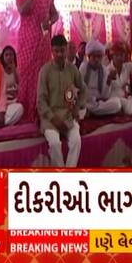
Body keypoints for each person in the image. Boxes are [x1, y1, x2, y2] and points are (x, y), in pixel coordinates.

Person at [16, 0, 59, 122]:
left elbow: (55, 14)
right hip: (27, 43)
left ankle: (41, 112)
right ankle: (26, 113)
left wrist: (50, 22)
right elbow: (23, 10)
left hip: (43, 42)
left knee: (42, 75)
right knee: (27, 76)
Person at [37, 35, 87, 167]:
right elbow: (41, 101)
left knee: (76, 141)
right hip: (50, 118)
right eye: (56, 51)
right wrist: (53, 118)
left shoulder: (72, 69)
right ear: (52, 51)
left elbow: (83, 90)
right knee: (54, 144)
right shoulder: (45, 71)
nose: (59, 54)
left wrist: (77, 108)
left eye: (62, 50)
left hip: (68, 116)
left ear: (66, 50)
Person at [79, 40, 121, 116]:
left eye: (99, 56)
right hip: (86, 101)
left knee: (117, 103)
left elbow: (105, 96)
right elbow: (79, 89)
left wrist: (109, 80)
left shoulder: (104, 70)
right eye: (94, 56)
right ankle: (90, 111)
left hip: (98, 103)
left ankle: (90, 111)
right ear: (89, 57)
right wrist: (90, 99)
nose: (96, 59)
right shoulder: (83, 68)